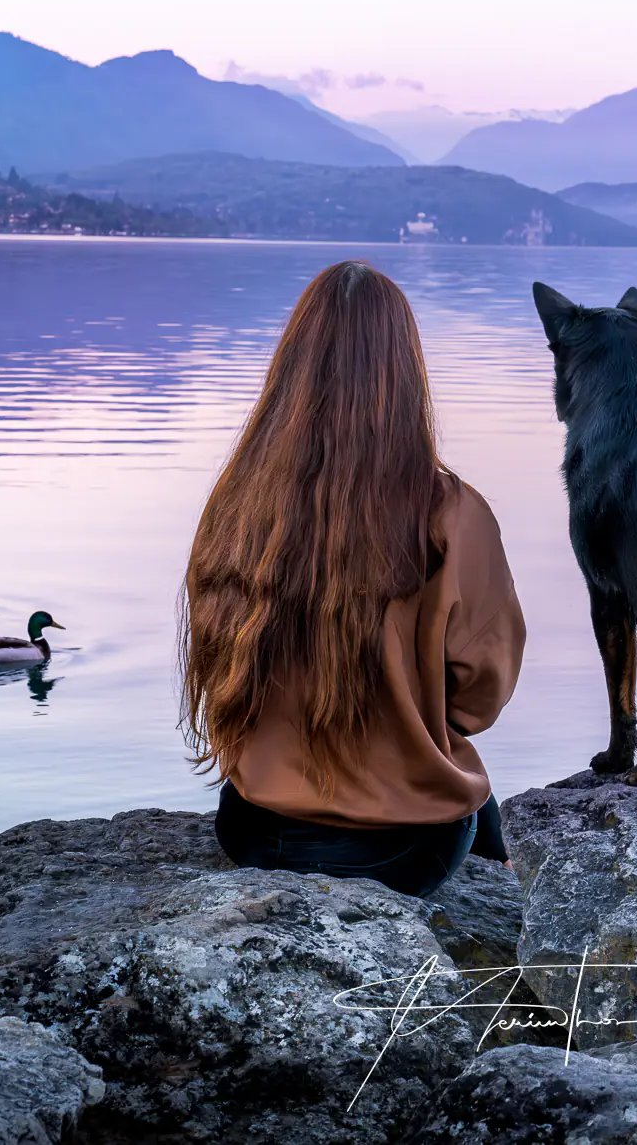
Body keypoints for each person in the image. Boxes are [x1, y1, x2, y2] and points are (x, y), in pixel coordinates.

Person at [179, 260, 524, 897]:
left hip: (253, 831)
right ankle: (508, 893)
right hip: (402, 851)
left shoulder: (237, 505)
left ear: (292, 369)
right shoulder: (452, 513)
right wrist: (406, 704)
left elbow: (218, 660)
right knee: (470, 790)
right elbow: (479, 699)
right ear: (403, 372)